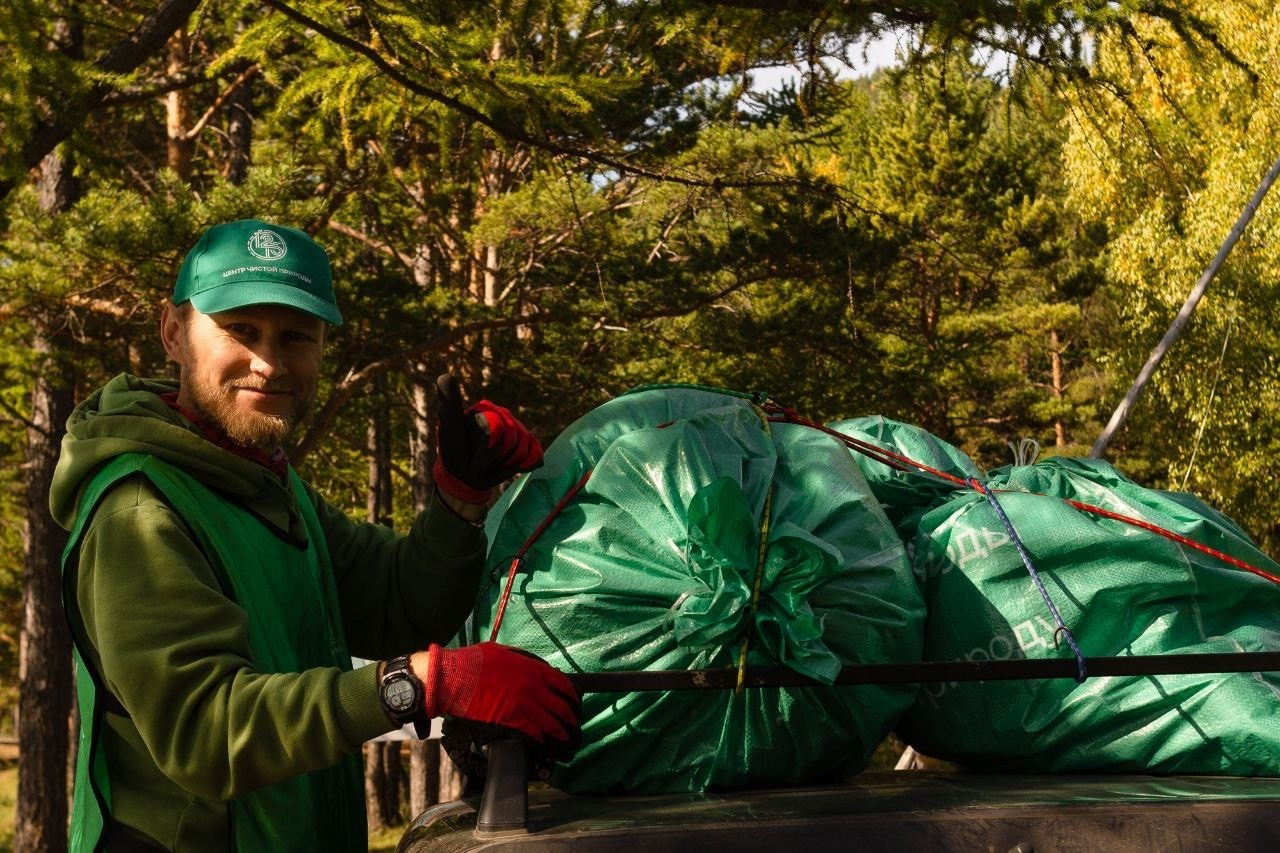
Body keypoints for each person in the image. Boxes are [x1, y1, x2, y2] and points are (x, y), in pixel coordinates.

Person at [49, 218, 581, 852]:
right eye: (240, 331)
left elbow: (396, 602)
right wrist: (417, 685)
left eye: (296, 336)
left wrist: (460, 500)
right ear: (173, 332)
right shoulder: (139, 510)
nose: (269, 363)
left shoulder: (264, 480)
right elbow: (205, 733)